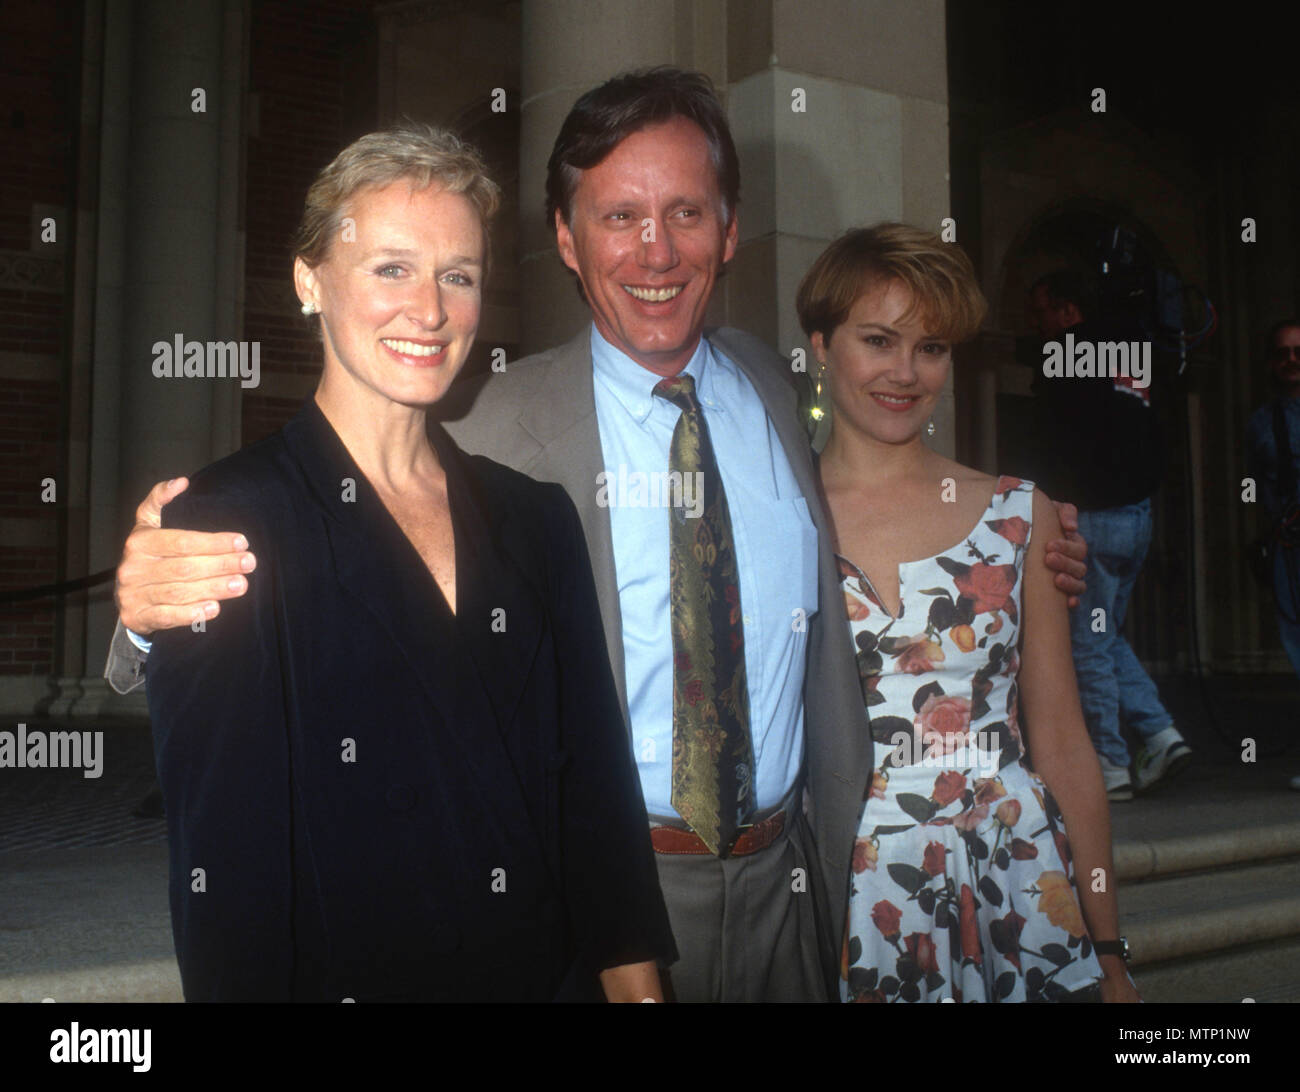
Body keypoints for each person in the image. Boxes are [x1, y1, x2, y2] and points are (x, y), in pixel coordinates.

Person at [107, 68, 1090, 1002]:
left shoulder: (774, 391)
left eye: (685, 214)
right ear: (567, 243)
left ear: (730, 230)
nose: (655, 252)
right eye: (619, 217)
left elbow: (875, 504)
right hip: (592, 897)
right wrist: (142, 619)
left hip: (796, 887)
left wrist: (1018, 532)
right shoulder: (497, 425)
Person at [143, 124, 675, 1001]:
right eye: (391, 267)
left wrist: (638, 989)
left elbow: (593, 793)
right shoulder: (227, 521)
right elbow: (226, 871)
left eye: (457, 275)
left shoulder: (536, 518)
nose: (429, 310)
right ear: (310, 281)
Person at [803, 224, 1139, 1002]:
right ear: (820, 345)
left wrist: (1111, 949)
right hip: (849, 888)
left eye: (932, 348)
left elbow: (1060, 739)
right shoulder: (776, 515)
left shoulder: (1021, 514)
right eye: (879, 340)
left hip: (1014, 873)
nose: (905, 372)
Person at [1024, 271, 1189, 800]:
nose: (1039, 323)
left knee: (1087, 646)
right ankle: (1161, 733)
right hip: (1137, 516)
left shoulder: (1064, 356)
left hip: (1093, 518)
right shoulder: (1131, 352)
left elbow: (1046, 442)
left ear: (1070, 312)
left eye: (1044, 309)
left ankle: (1111, 766)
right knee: (1105, 636)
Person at [1244, 318, 1300, 792]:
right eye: (1282, 353)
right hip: (1290, 546)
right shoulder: (1262, 422)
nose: (1291, 361)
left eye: (1298, 351)